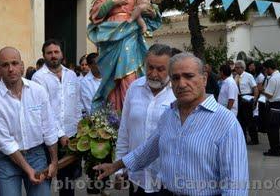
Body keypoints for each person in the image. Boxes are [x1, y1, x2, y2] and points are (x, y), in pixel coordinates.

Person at [94, 53, 248, 195]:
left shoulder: (226, 122)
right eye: (175, 78)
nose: (181, 84)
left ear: (204, 78)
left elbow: (235, 186)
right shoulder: (169, 115)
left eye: (189, 76)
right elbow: (147, 151)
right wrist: (115, 166)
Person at [87, 0, 162, 112]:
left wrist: (151, 11)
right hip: (111, 36)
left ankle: (131, 112)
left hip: (131, 33)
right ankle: (114, 115)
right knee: (111, 78)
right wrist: (112, 2)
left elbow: (150, 8)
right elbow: (95, 14)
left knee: (129, 75)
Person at [0, 47, 58, 196]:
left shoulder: (38, 91)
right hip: (7, 159)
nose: (11, 69)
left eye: (15, 63)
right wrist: (28, 169)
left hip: (37, 156)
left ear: (22, 65)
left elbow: (49, 128)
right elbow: (5, 142)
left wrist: (54, 161)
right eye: (5, 65)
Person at [116, 44, 176, 195]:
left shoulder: (178, 93)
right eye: (150, 67)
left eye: (161, 69)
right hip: (137, 180)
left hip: (167, 182)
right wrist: (119, 169)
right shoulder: (134, 88)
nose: (154, 74)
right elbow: (124, 132)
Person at [32, 39, 82, 196]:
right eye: (49, 53)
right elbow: (45, 111)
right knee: (46, 177)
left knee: (67, 181)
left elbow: (77, 103)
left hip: (72, 136)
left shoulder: (72, 75)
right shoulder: (38, 78)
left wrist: (80, 128)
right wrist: (61, 134)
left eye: (56, 52)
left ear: (62, 54)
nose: (53, 55)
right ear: (44, 56)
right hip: (49, 138)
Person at [260, 59, 280, 156]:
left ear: (270, 68)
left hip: (273, 105)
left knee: (272, 130)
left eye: (266, 69)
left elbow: (269, 95)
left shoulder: (273, 78)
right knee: (275, 128)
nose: (266, 72)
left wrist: (261, 90)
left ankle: (274, 150)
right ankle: (276, 149)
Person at [235, 60, 259, 145]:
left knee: (249, 120)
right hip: (239, 97)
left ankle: (254, 139)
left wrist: (255, 100)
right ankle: (243, 138)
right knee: (241, 120)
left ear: (242, 68)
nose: (236, 69)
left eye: (237, 68)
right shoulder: (236, 77)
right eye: (235, 67)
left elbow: (255, 88)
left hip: (247, 97)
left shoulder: (248, 76)